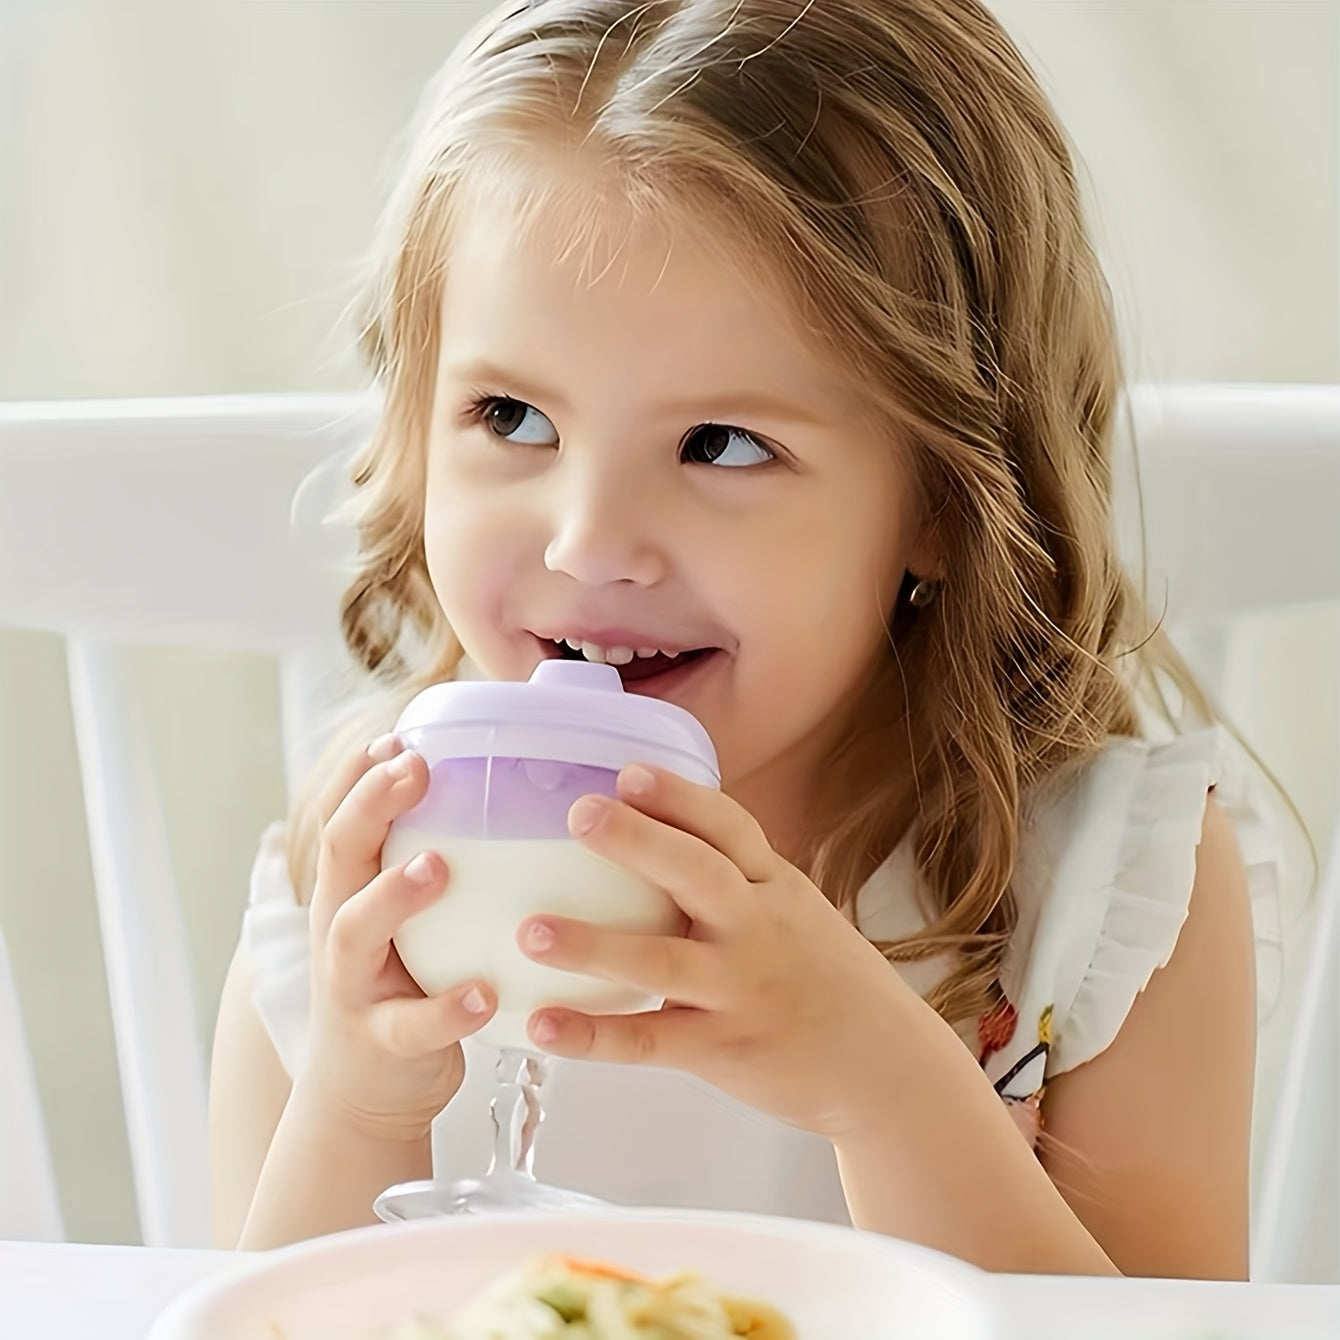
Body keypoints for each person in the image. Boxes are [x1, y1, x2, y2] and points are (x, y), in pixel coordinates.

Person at [208, 0, 1281, 1277]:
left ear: (940, 499)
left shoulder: (1096, 885)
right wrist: (356, 1100)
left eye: (720, 445)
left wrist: (880, 1083)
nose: (588, 542)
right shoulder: (366, 864)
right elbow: (254, 1307)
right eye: (511, 414)